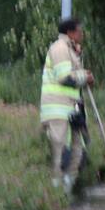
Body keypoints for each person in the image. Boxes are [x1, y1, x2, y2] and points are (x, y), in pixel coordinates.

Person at [40, 18, 94, 191]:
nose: (82, 34)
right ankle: (56, 192)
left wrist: (83, 74)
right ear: (70, 33)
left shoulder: (71, 50)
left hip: (71, 109)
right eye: (80, 31)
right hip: (58, 110)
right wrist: (84, 77)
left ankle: (67, 189)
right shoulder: (60, 49)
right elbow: (64, 78)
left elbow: (74, 77)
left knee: (78, 150)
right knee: (60, 152)